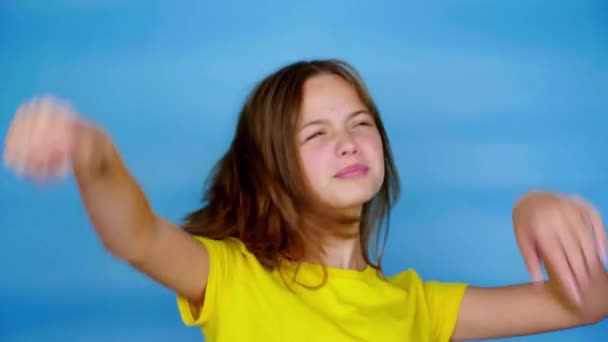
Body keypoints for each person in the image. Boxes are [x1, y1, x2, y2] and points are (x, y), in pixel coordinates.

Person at [3, 59, 607, 341]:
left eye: (361, 123)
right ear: (269, 172)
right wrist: (93, 152)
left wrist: (538, 204)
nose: (347, 141)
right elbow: (131, 233)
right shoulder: (233, 279)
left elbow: (586, 307)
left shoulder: (419, 305)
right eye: (315, 133)